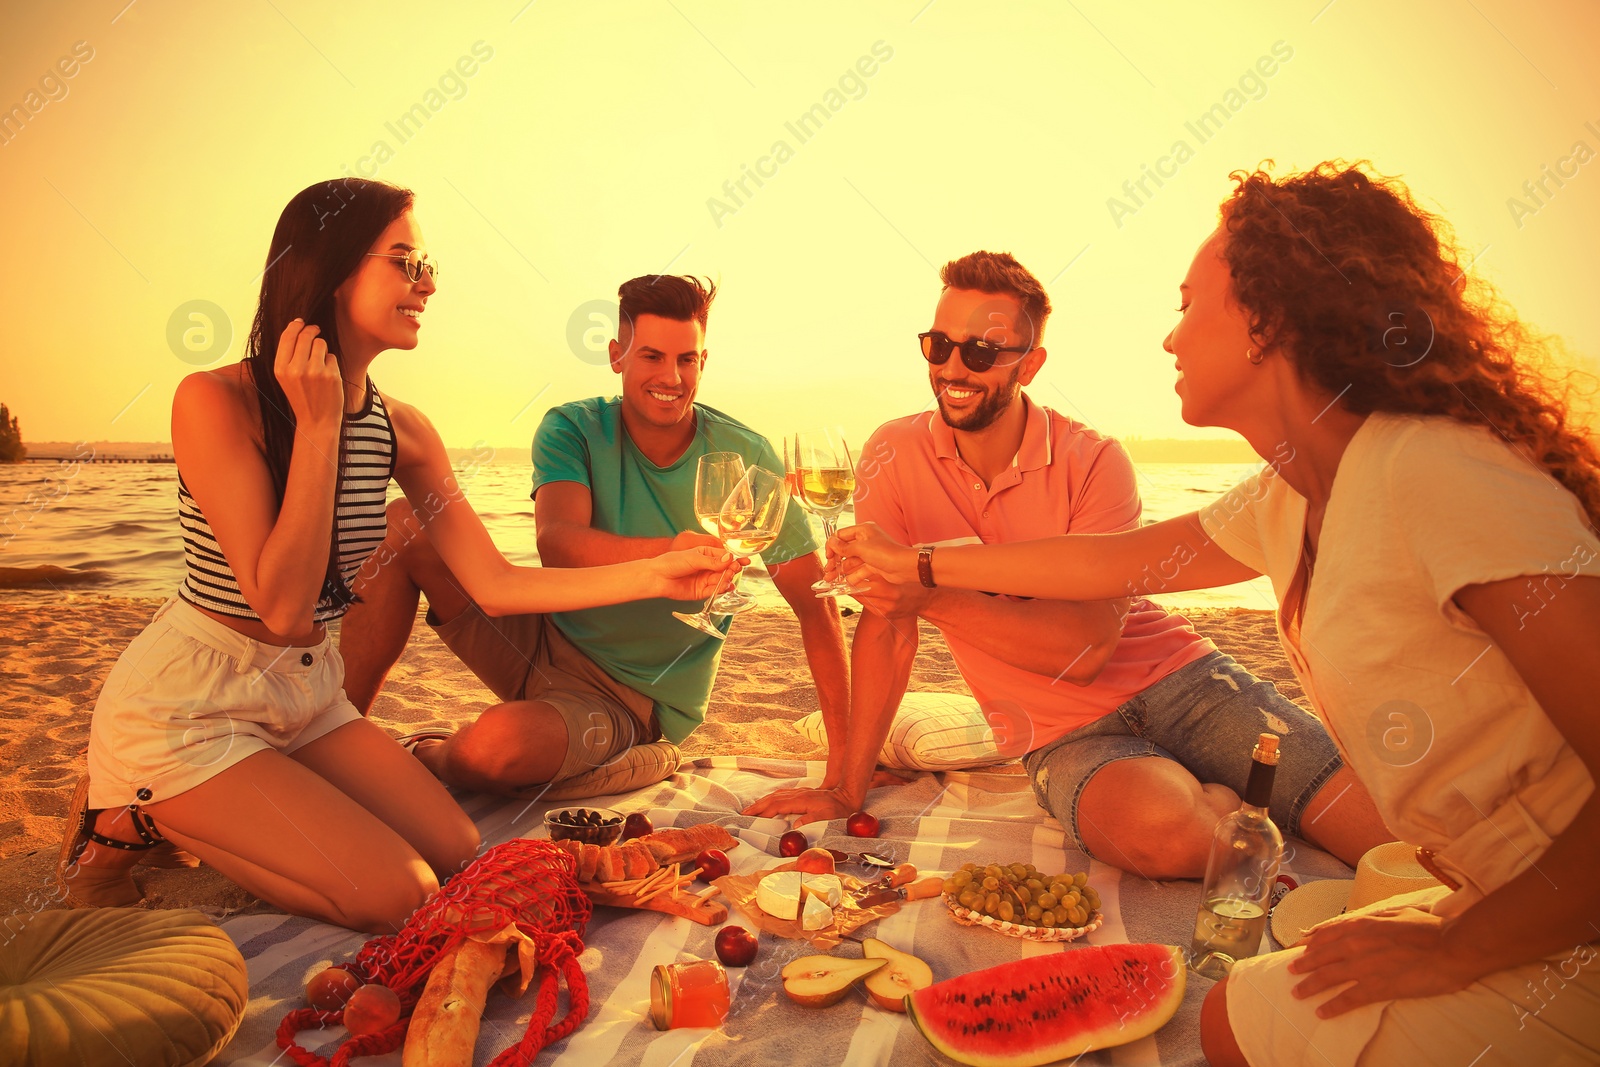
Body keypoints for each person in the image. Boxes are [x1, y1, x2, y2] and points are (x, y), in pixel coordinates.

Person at [833, 164, 1600, 1066]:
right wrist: (918, 566)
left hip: (1561, 918)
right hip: (1503, 887)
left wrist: (1460, 948)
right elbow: (1104, 563)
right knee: (1230, 1015)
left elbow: (1093, 621)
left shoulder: (1438, 471)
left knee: (1276, 972)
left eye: (1190, 302)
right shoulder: (1293, 494)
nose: (1167, 334)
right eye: (940, 343)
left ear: (1269, 318)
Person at [58, 179, 732, 933]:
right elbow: (280, 606)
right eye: (405, 262)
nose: (430, 282)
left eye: (426, 264)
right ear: (332, 270)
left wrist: (658, 569)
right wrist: (317, 431)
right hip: (193, 701)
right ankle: (131, 813)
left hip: (306, 693)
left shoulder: (403, 429)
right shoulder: (215, 402)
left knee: (455, 844)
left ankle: (225, 802)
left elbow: (495, 584)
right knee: (398, 894)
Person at [748, 250, 1387, 879]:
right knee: (1167, 840)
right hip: (1062, 735)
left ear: (1030, 364)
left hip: (1184, 682)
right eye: (938, 345)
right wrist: (847, 788)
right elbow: (888, 626)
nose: (952, 368)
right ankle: (1222, 795)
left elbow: (1083, 653)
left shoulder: (1095, 460)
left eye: (979, 352)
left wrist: (929, 592)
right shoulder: (893, 451)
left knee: (1385, 836)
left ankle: (1238, 788)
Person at [340, 275, 850, 800]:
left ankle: (419, 753)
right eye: (651, 356)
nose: (671, 377)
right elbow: (558, 542)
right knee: (406, 522)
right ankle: (339, 736)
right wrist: (667, 554)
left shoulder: (746, 455)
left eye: (687, 359)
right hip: (537, 637)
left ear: (703, 361)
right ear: (616, 356)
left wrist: (843, 769)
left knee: (490, 749)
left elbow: (817, 606)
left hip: (630, 699)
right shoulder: (573, 427)